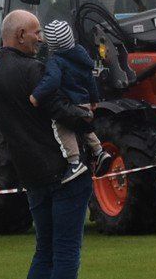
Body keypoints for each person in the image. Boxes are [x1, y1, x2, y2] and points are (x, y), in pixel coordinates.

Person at [0, 9, 96, 279]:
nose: (41, 38)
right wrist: (86, 118)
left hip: (30, 173)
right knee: (67, 253)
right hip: (64, 171)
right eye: (36, 32)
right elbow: (59, 108)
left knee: (44, 253)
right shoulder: (36, 70)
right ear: (20, 35)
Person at [36, 19, 105, 181]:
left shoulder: (55, 60)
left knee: (62, 128)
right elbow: (90, 80)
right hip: (86, 101)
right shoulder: (81, 54)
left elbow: (51, 81)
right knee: (85, 128)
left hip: (70, 104)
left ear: (53, 44)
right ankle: (100, 151)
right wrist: (94, 99)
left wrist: (36, 95)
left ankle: (74, 163)